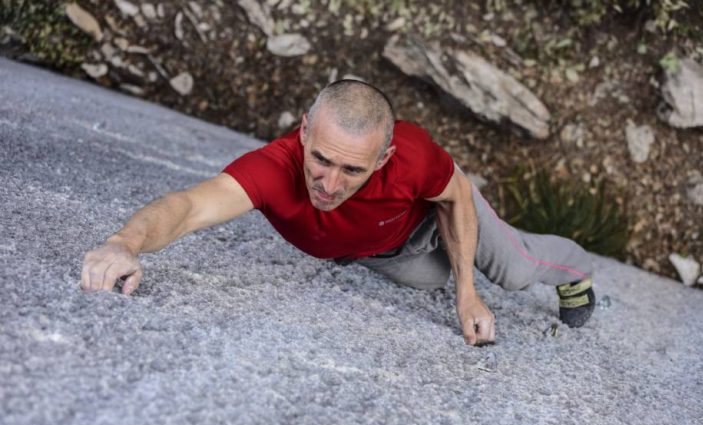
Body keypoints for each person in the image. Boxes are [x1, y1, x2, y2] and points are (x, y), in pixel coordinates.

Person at [80, 79, 595, 346]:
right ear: (304, 131)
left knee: (514, 269)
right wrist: (124, 243)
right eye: (321, 159)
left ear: (384, 158)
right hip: (383, 250)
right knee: (428, 279)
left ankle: (577, 272)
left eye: (352, 170)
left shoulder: (412, 156)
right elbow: (188, 206)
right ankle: (460, 256)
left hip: (432, 212)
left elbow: (456, 197)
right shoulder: (273, 169)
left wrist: (468, 295)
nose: (328, 185)